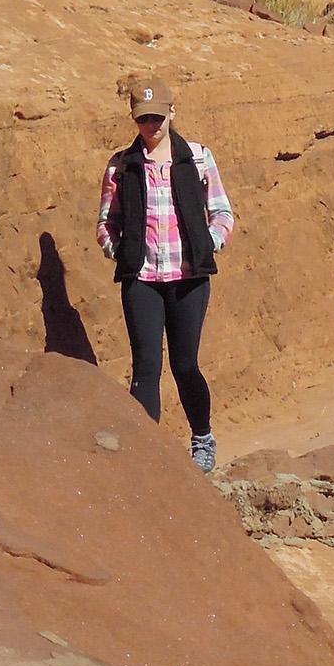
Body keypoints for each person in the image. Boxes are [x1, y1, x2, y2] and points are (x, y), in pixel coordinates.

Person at [96, 77, 235, 472]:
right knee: (144, 369)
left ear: (172, 113)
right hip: (142, 280)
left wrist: (209, 244)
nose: (152, 125)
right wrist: (120, 252)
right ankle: (147, 455)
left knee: (185, 364)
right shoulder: (121, 165)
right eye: (144, 119)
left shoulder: (197, 158)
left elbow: (223, 212)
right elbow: (107, 222)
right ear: (134, 119)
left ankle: (202, 438)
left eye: (158, 117)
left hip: (189, 278)